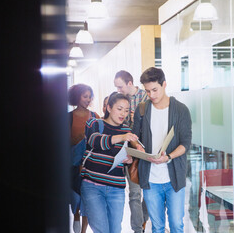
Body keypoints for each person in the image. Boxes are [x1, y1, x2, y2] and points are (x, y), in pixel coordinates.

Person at [132, 67, 192, 233]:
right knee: (157, 227)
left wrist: (169, 157)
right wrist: (137, 147)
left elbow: (186, 143)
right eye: (147, 91)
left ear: (164, 84)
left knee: (176, 225)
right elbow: (134, 137)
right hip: (150, 179)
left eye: (155, 90)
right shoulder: (142, 110)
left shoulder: (181, 110)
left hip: (174, 178)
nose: (151, 95)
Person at [80, 92, 143, 233]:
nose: (123, 114)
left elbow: (127, 157)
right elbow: (95, 141)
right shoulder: (94, 123)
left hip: (116, 188)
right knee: (102, 230)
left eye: (126, 110)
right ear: (109, 108)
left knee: (115, 230)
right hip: (92, 186)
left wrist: (129, 159)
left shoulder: (127, 130)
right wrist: (122, 137)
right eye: (119, 109)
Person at [114, 70, 149, 233]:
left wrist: (141, 119)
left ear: (129, 83)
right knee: (135, 194)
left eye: (120, 87)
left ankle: (142, 220)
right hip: (130, 151)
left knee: (149, 193)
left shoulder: (146, 97)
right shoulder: (120, 101)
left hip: (148, 151)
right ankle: (137, 229)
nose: (118, 90)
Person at [68, 84, 100, 233]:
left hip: (90, 165)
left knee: (88, 198)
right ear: (76, 97)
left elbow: (101, 140)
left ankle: (83, 230)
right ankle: (75, 218)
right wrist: (78, 139)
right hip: (73, 166)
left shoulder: (95, 117)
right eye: (84, 96)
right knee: (76, 197)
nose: (88, 100)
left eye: (89, 96)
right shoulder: (68, 117)